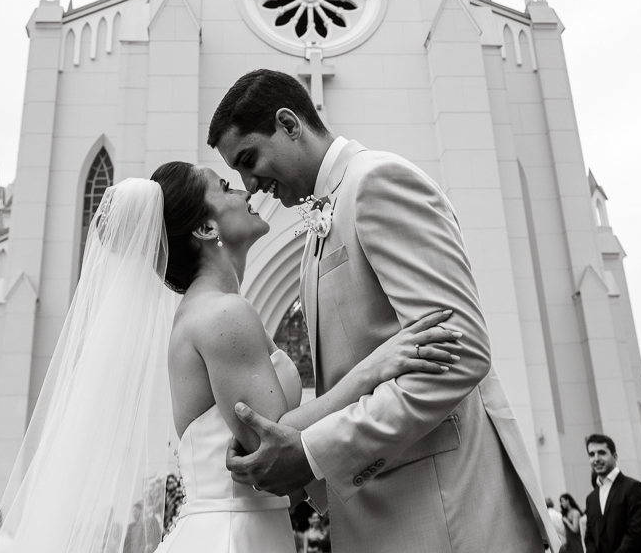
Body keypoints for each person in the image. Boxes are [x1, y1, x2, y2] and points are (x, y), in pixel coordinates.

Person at [0, 172, 462, 553]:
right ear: (206, 228)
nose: (244, 188)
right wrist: (375, 367)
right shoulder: (221, 313)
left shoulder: (207, 310)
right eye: (226, 186)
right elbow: (271, 441)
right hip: (233, 537)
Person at [210, 69, 558, 553]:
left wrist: (312, 453)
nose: (250, 185)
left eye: (249, 160)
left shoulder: (378, 183)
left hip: (445, 516)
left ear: (289, 124)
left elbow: (460, 354)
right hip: (382, 516)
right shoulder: (318, 224)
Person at [583, 433, 641, 552]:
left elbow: (637, 533)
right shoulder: (591, 498)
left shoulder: (633, 488)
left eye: (602, 453)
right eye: (591, 454)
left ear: (614, 456)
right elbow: (590, 537)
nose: (596, 458)